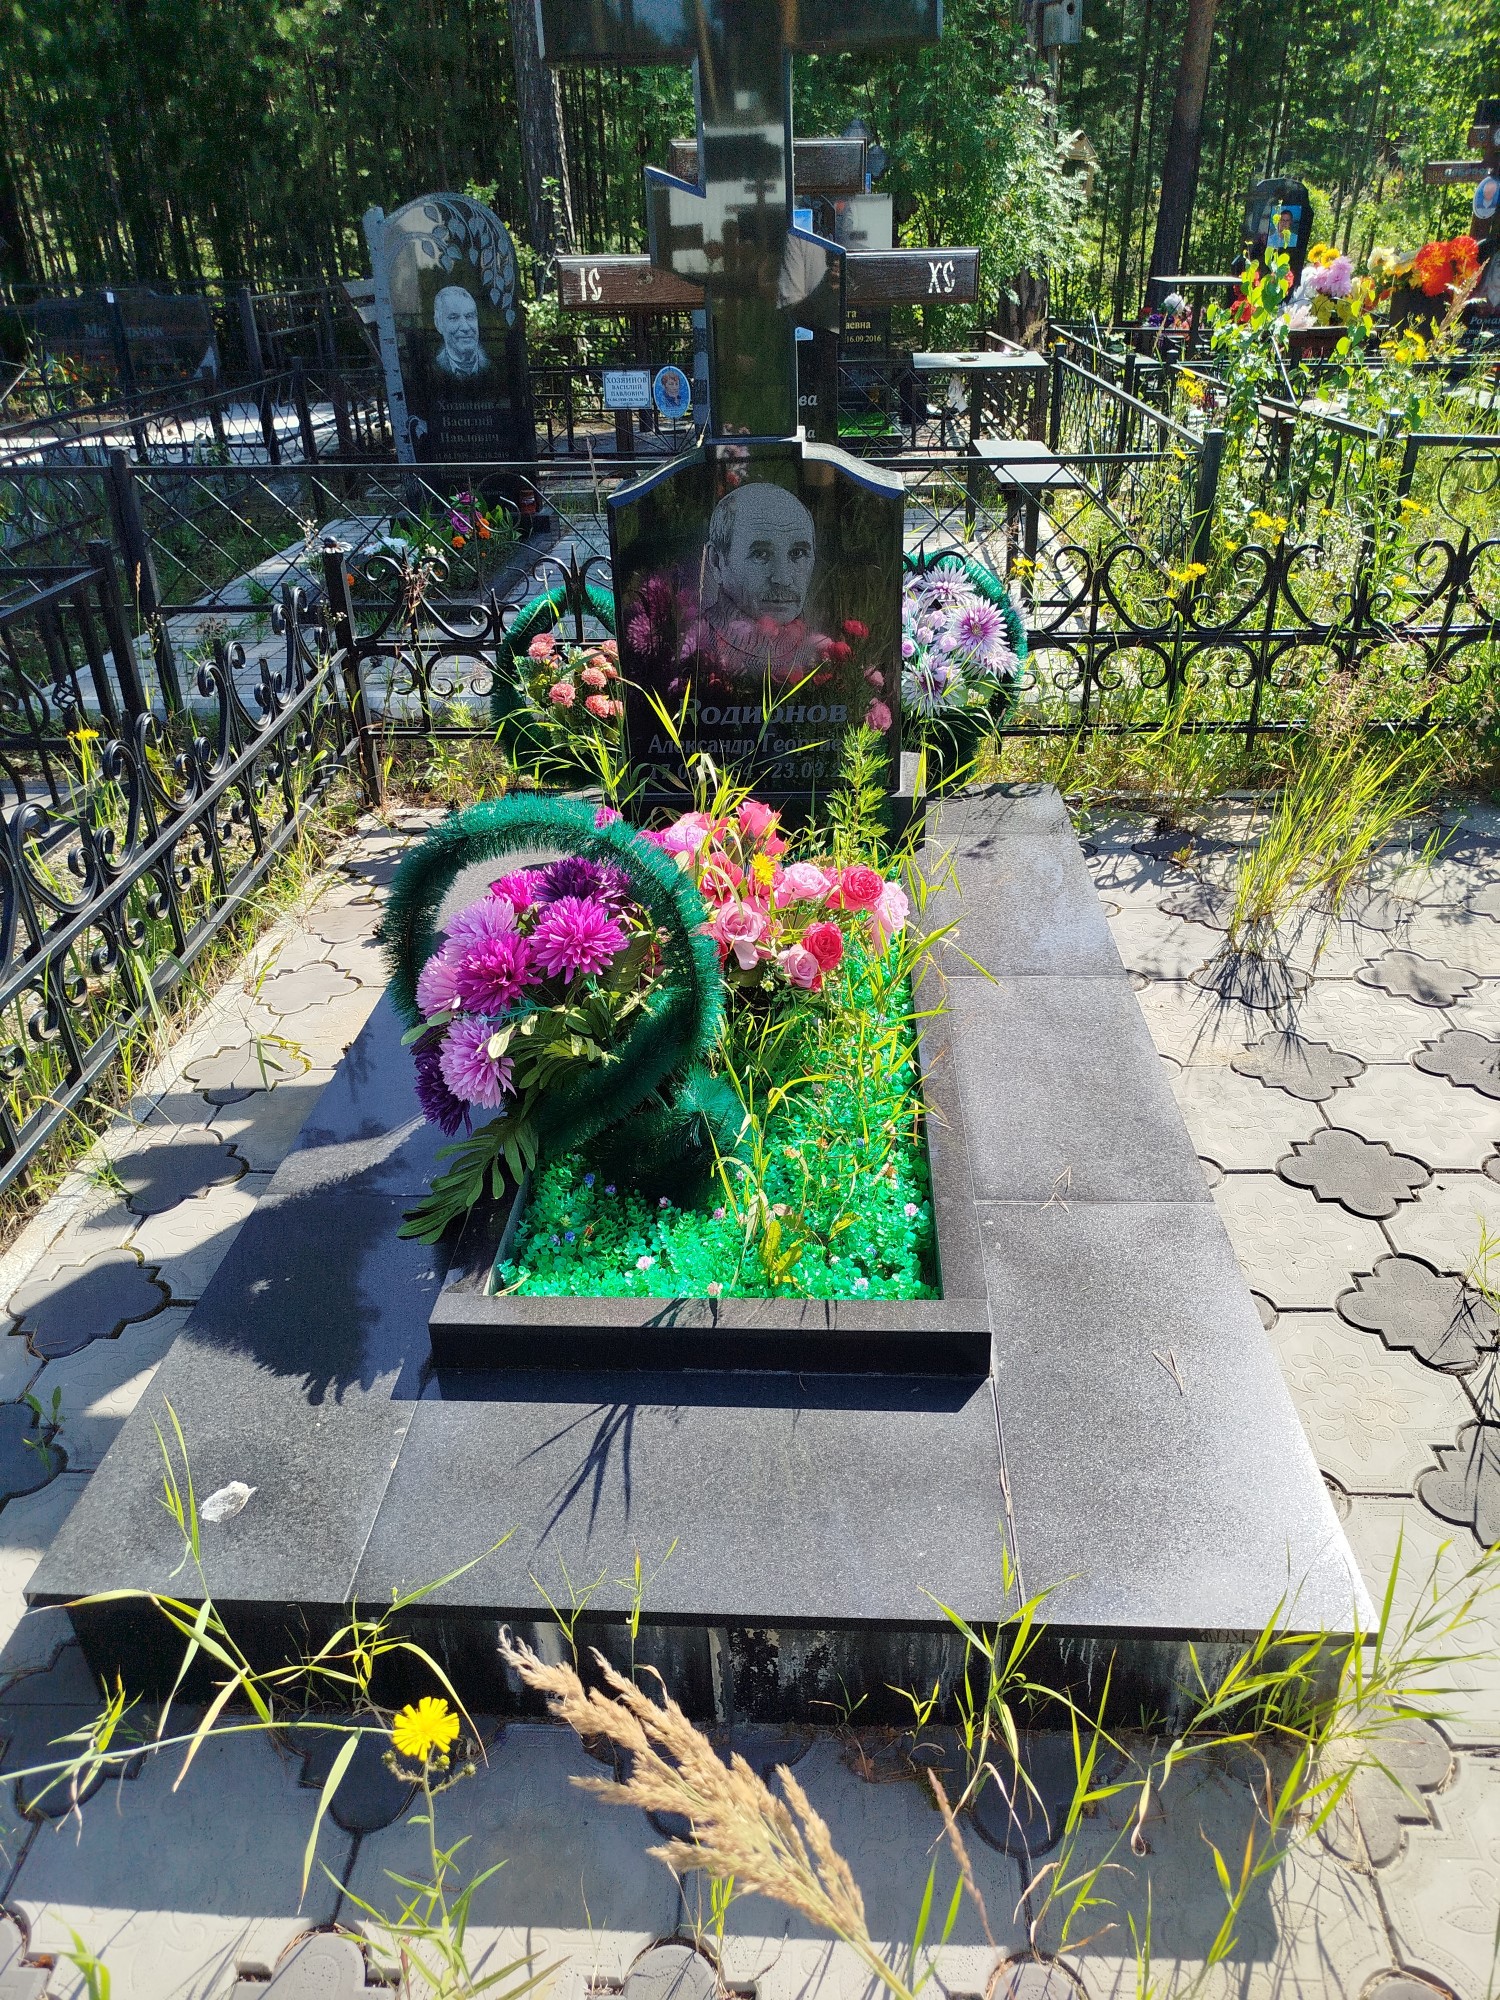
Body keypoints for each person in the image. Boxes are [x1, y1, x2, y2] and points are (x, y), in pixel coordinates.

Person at [697, 482, 822, 679]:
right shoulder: (695, 647)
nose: (783, 578)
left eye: (797, 553)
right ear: (717, 562)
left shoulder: (823, 652)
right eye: (761, 554)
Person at [432, 285, 489, 378]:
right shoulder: (431, 368)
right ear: (438, 324)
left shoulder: (495, 365)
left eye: (469, 316)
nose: (465, 327)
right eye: (454, 318)